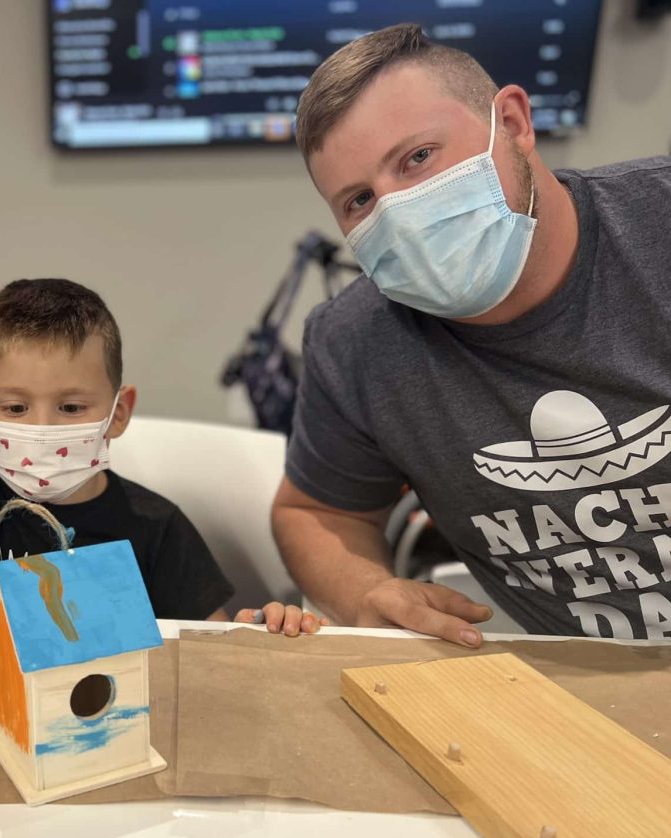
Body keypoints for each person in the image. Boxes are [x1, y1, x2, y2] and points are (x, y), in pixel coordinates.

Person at [253, 23, 671, 644]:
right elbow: (316, 511)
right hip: (580, 697)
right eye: (360, 200)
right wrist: (364, 591)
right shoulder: (356, 344)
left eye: (418, 157)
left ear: (513, 123)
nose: (398, 211)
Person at [0, 278, 317, 634]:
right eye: (15, 406)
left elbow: (212, 646)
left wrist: (262, 630)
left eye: (72, 406)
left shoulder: (155, 526)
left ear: (119, 413)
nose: (43, 428)